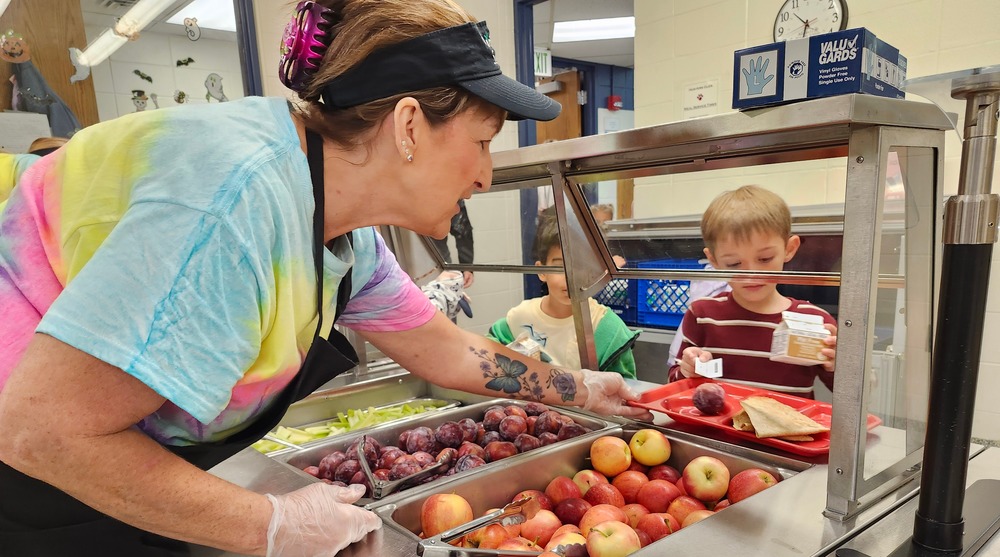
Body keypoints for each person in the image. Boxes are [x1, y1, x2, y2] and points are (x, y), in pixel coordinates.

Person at [0, 1, 652, 556]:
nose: (485, 175)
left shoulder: (339, 223)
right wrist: (274, 522)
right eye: (480, 142)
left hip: (114, 467)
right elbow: (42, 431)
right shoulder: (234, 204)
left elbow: (447, 349)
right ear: (406, 127)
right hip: (34, 484)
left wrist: (578, 387)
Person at [668, 185, 837, 397]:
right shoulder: (702, 315)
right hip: (716, 429)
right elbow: (674, 382)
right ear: (714, 260)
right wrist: (687, 369)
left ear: (789, 249)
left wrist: (835, 366)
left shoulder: (815, 320)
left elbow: (851, 397)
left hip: (786, 430)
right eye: (734, 263)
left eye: (764, 259)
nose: (750, 274)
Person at [488, 209, 640, 378]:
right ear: (542, 271)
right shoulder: (518, 318)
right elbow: (489, 358)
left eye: (583, 266)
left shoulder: (608, 328)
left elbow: (624, 387)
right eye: (560, 267)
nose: (571, 278)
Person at [430, 198, 475, 289]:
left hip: (441, 268)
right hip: (438, 267)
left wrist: (467, 266)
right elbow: (462, 230)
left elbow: (462, 230)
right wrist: (467, 266)